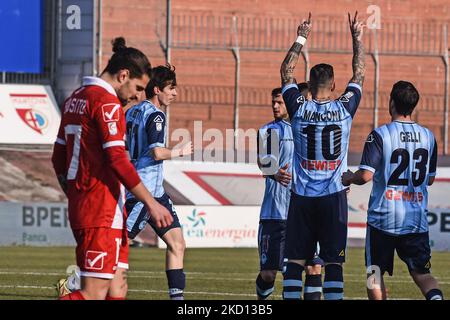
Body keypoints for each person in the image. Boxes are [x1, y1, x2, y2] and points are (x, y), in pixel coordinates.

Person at [51, 37, 173, 300]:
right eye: (138, 87)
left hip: (98, 208)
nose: (139, 96)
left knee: (116, 291)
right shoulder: (106, 103)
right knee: (93, 294)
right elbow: (118, 159)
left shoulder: (75, 98)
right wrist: (151, 203)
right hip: (100, 210)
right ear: (123, 75)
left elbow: (58, 157)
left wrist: (74, 192)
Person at [279, 12, 365, 300]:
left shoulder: (298, 108)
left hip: (302, 197)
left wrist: (302, 35)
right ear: (334, 85)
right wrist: (356, 38)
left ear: (310, 82)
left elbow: (286, 72)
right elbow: (360, 74)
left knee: (295, 263)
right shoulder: (344, 108)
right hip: (333, 196)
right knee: (333, 263)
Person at [341, 81, 444, 300]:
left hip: (383, 218)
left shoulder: (380, 135)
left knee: (374, 273)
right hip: (415, 219)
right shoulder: (429, 137)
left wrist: (348, 177)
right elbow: (431, 179)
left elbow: (365, 176)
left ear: (391, 102)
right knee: (423, 274)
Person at [125, 64, 193, 300]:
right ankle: (75, 284)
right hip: (143, 193)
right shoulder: (156, 115)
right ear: (156, 90)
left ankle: (177, 299)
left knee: (177, 242)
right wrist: (179, 151)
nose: (174, 93)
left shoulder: (132, 111)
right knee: (117, 244)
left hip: (155, 192)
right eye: (171, 88)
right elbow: (156, 153)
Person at [256, 85, 323, 300]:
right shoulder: (270, 131)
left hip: (305, 213)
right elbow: (265, 161)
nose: (275, 106)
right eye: (273, 101)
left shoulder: (308, 128)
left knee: (313, 268)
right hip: (275, 213)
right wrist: (274, 172)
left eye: (280, 102)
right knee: (268, 274)